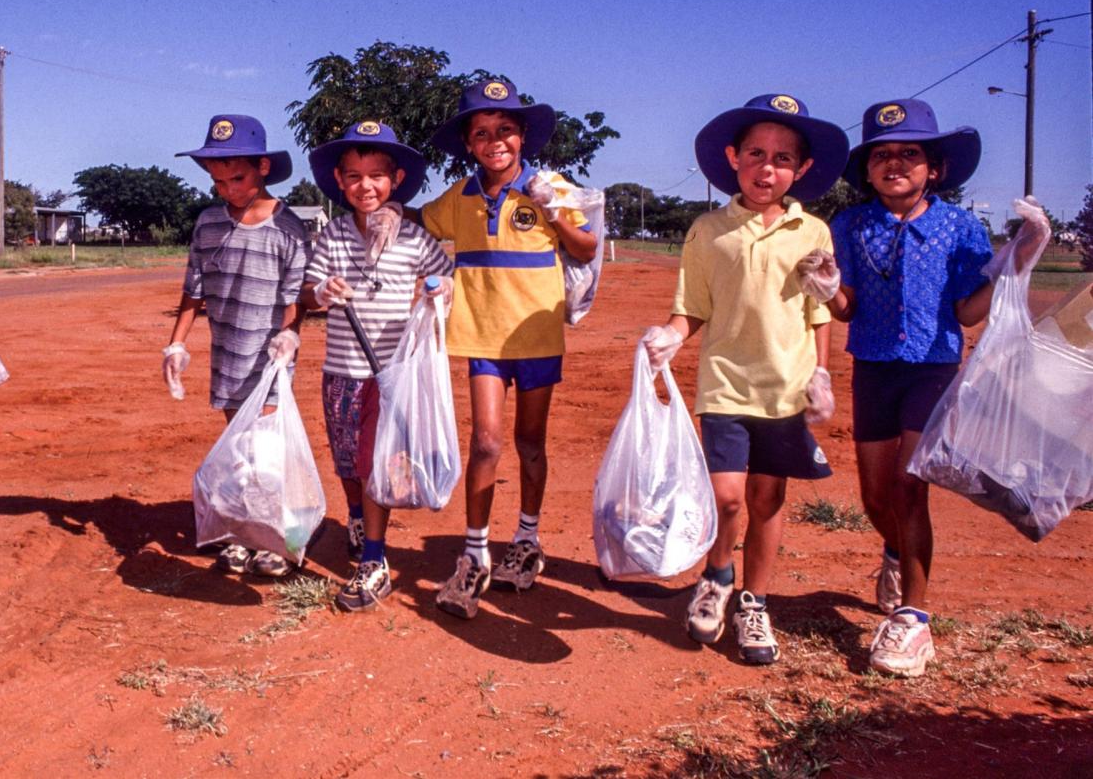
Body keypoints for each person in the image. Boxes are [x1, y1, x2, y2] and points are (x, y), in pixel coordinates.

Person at [820, 98, 1048, 677]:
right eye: (883, 155)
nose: (895, 163)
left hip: (934, 369)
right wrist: (825, 287)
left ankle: (914, 621)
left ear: (934, 168)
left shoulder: (960, 227)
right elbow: (846, 310)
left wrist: (1017, 261)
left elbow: (969, 312)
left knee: (907, 485)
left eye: (910, 153)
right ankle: (896, 552)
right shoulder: (849, 225)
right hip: (873, 368)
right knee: (876, 497)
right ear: (867, 169)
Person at [641, 93, 848, 665]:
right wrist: (671, 336)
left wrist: (823, 374)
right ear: (734, 157)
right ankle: (716, 577)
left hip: (787, 387)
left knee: (766, 497)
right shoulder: (709, 231)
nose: (767, 168)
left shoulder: (813, 231)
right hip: (726, 384)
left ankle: (755, 602)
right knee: (727, 497)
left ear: (801, 170)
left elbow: (818, 311)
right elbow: (692, 307)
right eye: (756, 153)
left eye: (783, 159)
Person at [419, 79, 599, 619]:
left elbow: (587, 246)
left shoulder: (552, 185)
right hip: (482, 336)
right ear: (468, 143)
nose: (494, 141)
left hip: (538, 336)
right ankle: (474, 552)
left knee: (531, 443)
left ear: (522, 137)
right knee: (485, 443)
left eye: (505, 130)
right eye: (481, 133)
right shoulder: (460, 196)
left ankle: (527, 538)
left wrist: (554, 210)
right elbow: (421, 224)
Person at [301, 120, 453, 611]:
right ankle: (356, 516)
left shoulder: (413, 239)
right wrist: (321, 293)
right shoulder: (332, 238)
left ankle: (375, 559)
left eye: (376, 176)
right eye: (353, 176)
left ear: (396, 180)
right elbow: (307, 291)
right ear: (340, 181)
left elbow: (447, 280)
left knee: (373, 465)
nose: (365, 186)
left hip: (389, 375)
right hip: (340, 370)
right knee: (346, 461)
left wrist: (439, 292)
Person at [164, 114, 308, 579]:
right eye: (219, 182)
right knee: (239, 451)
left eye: (238, 178)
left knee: (265, 451)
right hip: (228, 356)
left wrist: (289, 335)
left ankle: (276, 538)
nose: (229, 190)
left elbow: (296, 296)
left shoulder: (288, 228)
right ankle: (245, 533)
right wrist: (176, 345)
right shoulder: (207, 224)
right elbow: (194, 289)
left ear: (263, 167)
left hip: (269, 361)